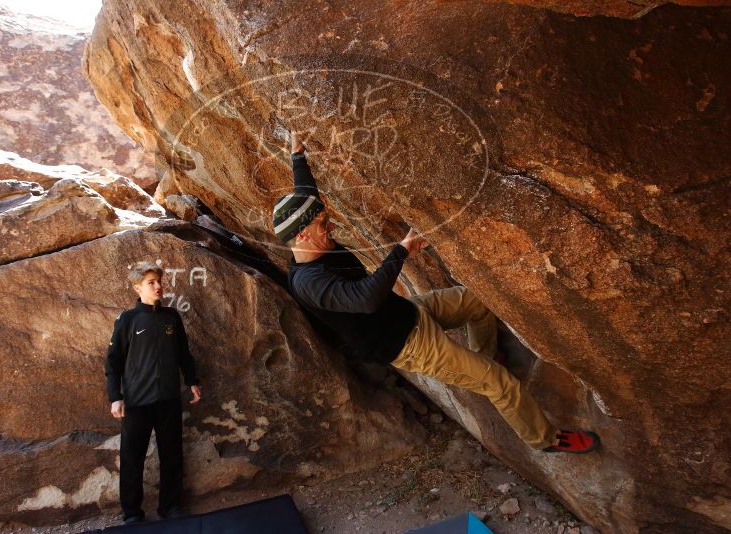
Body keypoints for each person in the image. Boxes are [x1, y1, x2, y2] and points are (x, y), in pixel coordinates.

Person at [273, 132, 599, 454]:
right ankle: (545, 439)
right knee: (501, 383)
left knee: (481, 302)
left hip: (408, 312)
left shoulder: (312, 242)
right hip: (409, 344)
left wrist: (298, 153)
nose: (330, 226)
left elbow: (306, 192)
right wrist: (402, 251)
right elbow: (365, 298)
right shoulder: (309, 283)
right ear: (302, 236)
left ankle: (481, 361)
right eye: (322, 224)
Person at [104, 262, 202, 523]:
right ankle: (132, 513)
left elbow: (183, 352)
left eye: (159, 281)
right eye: (151, 282)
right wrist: (116, 396)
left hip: (169, 398)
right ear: (138, 288)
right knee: (132, 458)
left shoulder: (172, 317)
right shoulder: (128, 320)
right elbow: (112, 361)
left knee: (172, 454)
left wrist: (191, 380)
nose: (158, 286)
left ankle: (170, 507)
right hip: (137, 402)